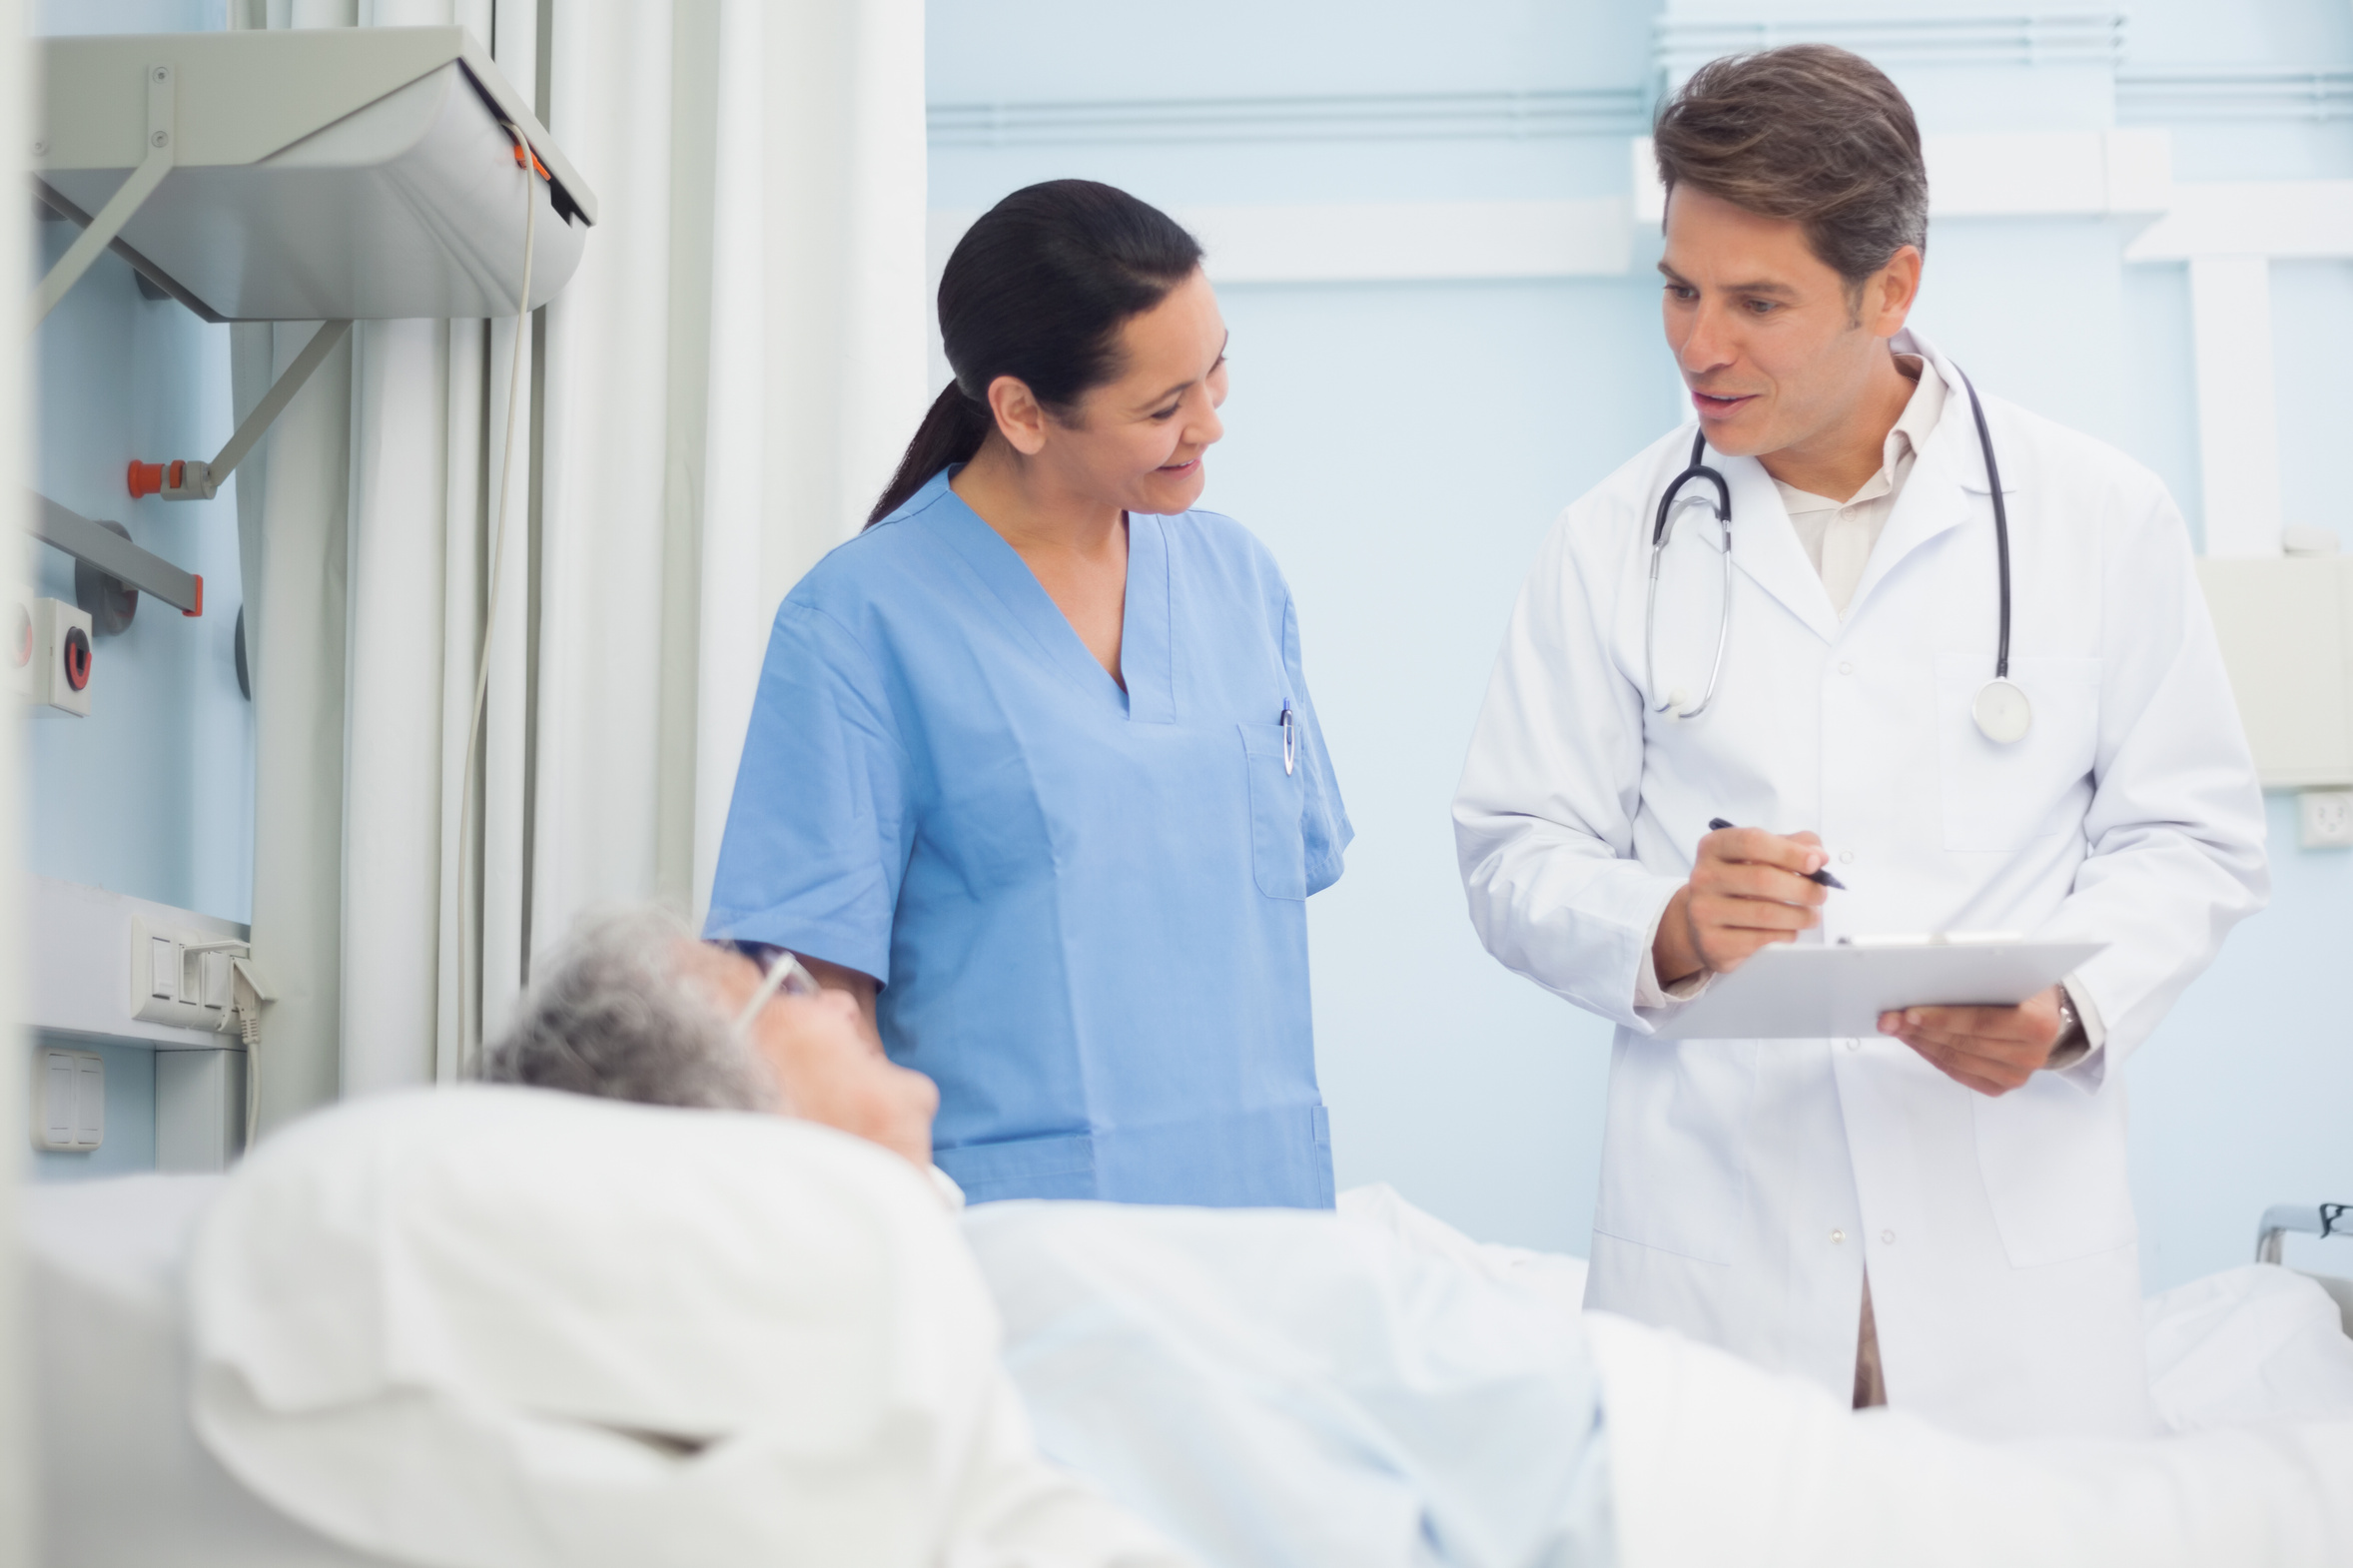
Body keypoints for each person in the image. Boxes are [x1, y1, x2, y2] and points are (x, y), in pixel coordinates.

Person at [1451, 45, 2268, 1439]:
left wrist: (2069, 1011)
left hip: (2008, 1254)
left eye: (1757, 302)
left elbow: (2190, 832)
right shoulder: (1609, 541)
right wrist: (1667, 922)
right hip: (1718, 1246)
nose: (1699, 344)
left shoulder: (2095, 516)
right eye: (1679, 287)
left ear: (1891, 287)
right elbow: (1512, 849)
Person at [704, 179, 1350, 1209]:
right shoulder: (858, 622)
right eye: (1162, 406)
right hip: (1024, 1228)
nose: (1208, 426)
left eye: (1215, 370)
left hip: (1265, 1204)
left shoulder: (1239, 581)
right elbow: (809, 1001)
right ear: (1020, 410)